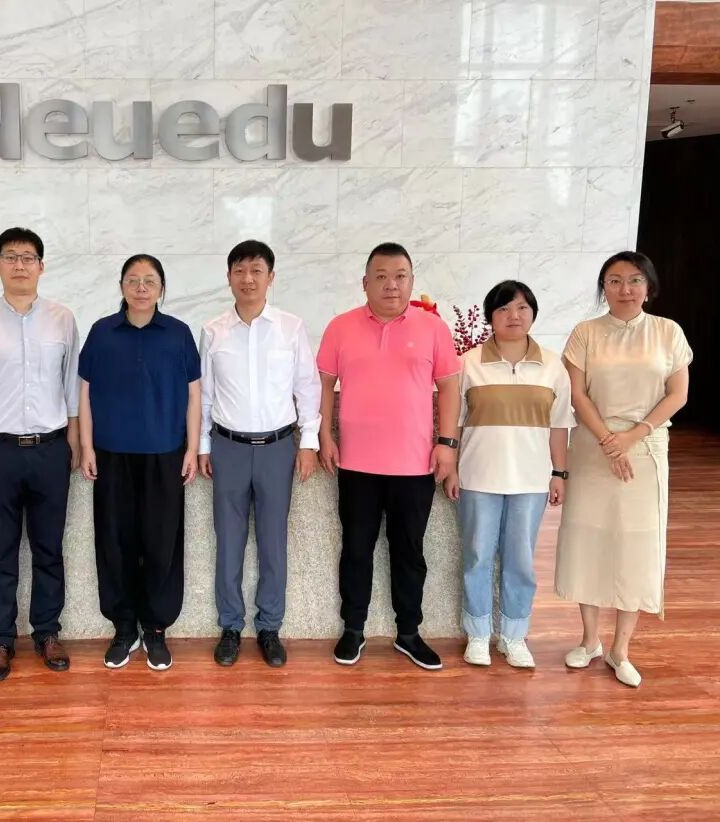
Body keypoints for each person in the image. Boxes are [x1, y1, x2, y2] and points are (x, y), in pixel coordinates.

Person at [316, 242, 461, 671]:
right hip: (356, 464)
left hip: (414, 465)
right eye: (380, 276)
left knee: (409, 552)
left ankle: (409, 633)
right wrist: (323, 434)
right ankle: (353, 628)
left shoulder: (432, 328)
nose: (391, 285)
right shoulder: (341, 327)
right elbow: (323, 386)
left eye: (400, 276)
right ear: (365, 283)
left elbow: (450, 388)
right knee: (356, 549)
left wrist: (447, 443)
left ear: (412, 282)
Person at [555, 252, 692, 688]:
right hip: (593, 447)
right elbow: (577, 394)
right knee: (588, 538)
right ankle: (589, 639)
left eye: (634, 280)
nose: (625, 289)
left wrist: (632, 437)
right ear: (604, 288)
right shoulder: (586, 332)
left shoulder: (668, 331)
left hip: (645, 449)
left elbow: (678, 394)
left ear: (648, 287)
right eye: (614, 281)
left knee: (637, 544)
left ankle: (622, 649)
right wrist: (608, 440)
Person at [0, 227, 80, 682]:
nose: (20, 265)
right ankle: (1, 640)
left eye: (28, 257)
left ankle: (47, 632)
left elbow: (71, 387)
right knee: (1, 550)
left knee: (49, 548)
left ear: (41, 266)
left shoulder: (63, 319)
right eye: (11, 257)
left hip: (50, 448)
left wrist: (74, 443)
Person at [198, 240, 320, 668]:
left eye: (256, 271)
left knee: (273, 541)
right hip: (228, 447)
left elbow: (308, 387)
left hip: (277, 448)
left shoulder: (290, 327)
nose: (247, 279)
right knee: (228, 541)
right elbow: (205, 394)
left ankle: (269, 627)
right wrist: (203, 446)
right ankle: (230, 626)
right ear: (228, 277)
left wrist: (309, 443)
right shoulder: (212, 331)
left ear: (271, 277)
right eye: (239, 271)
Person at [78, 254, 201, 671]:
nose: (141, 287)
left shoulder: (178, 334)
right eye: (133, 280)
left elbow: (195, 395)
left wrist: (191, 448)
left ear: (161, 288)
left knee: (161, 543)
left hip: (165, 454)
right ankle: (124, 627)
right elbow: (84, 392)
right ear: (121, 287)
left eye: (150, 280)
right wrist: (87, 447)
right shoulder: (102, 332)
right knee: (116, 543)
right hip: (112, 455)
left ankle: (156, 628)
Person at [443, 281, 574, 668]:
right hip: (478, 477)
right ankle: (478, 635)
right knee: (477, 556)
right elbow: (455, 423)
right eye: (503, 309)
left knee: (520, 560)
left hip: (530, 481)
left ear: (533, 313)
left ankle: (514, 636)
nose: (513, 316)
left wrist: (559, 473)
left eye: (521, 308)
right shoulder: (468, 363)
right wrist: (452, 469)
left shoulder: (552, 366)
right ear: (490, 317)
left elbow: (559, 426)